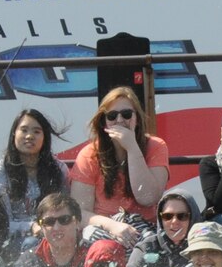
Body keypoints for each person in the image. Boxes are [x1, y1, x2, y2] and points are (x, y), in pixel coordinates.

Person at [70, 87, 169, 220]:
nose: (120, 120)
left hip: (145, 229)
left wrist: (132, 148)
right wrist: (112, 226)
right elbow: (80, 212)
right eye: (112, 116)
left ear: (137, 118)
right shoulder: (88, 154)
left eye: (126, 114)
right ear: (104, 122)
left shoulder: (156, 146)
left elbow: (147, 197)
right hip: (105, 229)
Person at [0, 109, 68, 250]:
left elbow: (67, 213)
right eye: (24, 130)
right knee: (32, 244)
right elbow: (1, 221)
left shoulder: (59, 170)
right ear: (14, 134)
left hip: (52, 234)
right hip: (15, 241)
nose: (29, 136)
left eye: (37, 132)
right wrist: (31, 226)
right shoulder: (2, 170)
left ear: (45, 138)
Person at [123, 192, 198, 267]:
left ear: (193, 218)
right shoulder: (147, 247)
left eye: (182, 216)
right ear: (160, 218)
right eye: (168, 216)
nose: (174, 221)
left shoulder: (203, 247)